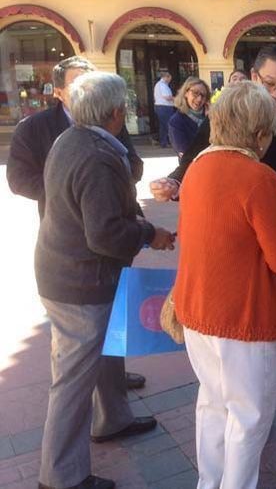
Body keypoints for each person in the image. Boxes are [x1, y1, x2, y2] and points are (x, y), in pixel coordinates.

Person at [149, 45, 276, 415]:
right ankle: (239, 402)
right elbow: (193, 163)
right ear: (253, 77)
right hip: (235, 235)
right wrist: (171, 183)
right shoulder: (227, 114)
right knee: (241, 319)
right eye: (270, 84)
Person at [35, 72, 175, 489]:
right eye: (126, 108)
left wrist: (140, 223)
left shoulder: (73, 139)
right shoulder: (95, 155)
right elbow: (105, 233)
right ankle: (60, 477)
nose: (128, 114)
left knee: (101, 355)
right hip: (78, 280)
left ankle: (113, 417)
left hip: (67, 271)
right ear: (116, 113)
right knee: (72, 382)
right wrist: (151, 234)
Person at [174, 81, 276, 489]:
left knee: (212, 405)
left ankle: (209, 484)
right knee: (249, 416)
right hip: (243, 316)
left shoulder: (196, 168)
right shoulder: (258, 176)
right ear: (260, 132)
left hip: (197, 310)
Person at [6, 56, 147, 392]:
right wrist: (66, 198)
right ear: (59, 92)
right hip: (77, 262)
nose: (87, 89)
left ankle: (113, 407)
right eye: (78, 84)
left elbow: (131, 166)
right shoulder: (47, 131)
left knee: (108, 332)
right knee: (72, 380)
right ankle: (73, 439)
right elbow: (20, 179)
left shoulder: (95, 134)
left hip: (88, 263)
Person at [168, 77, 210, 158]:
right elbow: (185, 153)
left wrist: (211, 118)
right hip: (191, 168)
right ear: (186, 93)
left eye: (203, 95)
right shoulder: (176, 121)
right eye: (195, 93)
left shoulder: (212, 117)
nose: (199, 99)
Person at [153, 71, 174, 148]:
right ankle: (168, 142)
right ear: (166, 77)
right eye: (169, 79)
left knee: (163, 126)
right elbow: (167, 97)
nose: (170, 80)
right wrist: (176, 99)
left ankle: (164, 142)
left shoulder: (159, 85)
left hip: (160, 107)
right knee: (168, 125)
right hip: (164, 107)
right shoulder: (163, 85)